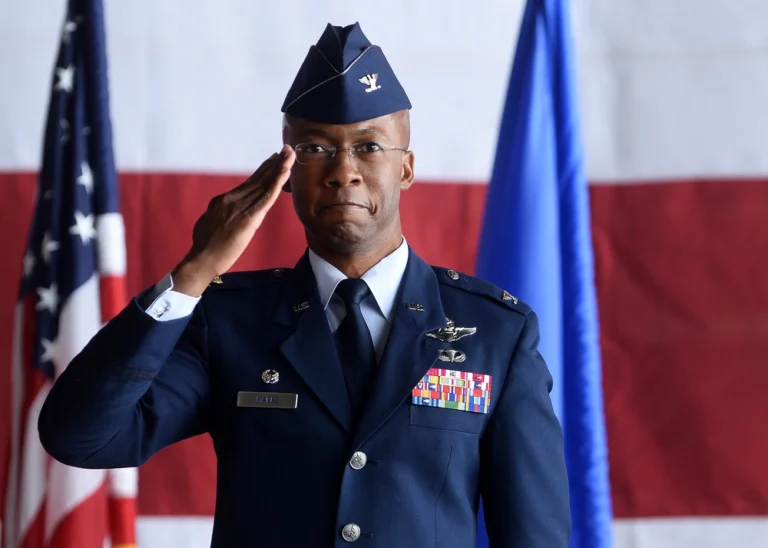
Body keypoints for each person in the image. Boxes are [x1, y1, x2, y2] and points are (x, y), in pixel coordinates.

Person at [38, 22, 571, 547]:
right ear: (287, 171)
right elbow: (82, 437)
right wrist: (195, 271)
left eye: (368, 146)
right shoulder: (228, 322)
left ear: (406, 169)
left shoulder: (494, 333)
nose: (343, 171)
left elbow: (535, 535)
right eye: (315, 149)